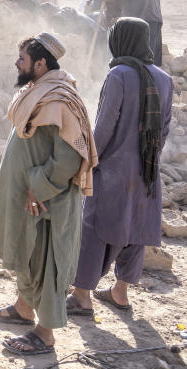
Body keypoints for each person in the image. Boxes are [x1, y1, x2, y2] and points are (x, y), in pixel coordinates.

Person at [0, 33, 97, 356]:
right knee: (29, 255)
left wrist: (39, 186)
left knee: (47, 261)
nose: (17, 63)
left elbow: (70, 157)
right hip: (33, 197)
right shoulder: (42, 91)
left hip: (49, 200)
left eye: (22, 58)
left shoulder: (60, 101)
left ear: (41, 63)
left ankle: (44, 335)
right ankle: (23, 308)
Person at [67, 18, 172, 316]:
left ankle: (82, 295)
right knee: (136, 227)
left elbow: (103, 127)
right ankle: (120, 292)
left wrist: (86, 159)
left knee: (95, 228)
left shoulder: (118, 75)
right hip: (147, 169)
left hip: (112, 168)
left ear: (120, 40)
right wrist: (147, 159)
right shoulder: (164, 79)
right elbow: (163, 130)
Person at [107, 0, 164, 66]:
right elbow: (136, 0)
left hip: (141, 22)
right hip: (155, 21)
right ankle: (150, 82)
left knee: (136, 58)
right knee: (149, 60)